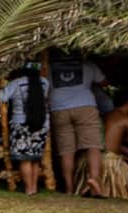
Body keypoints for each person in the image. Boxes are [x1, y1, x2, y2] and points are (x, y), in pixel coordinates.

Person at [45, 55, 108, 194]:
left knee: (66, 150)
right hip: (85, 105)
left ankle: (69, 187)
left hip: (58, 108)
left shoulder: (48, 65)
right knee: (93, 146)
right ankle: (94, 181)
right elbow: (104, 82)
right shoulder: (88, 64)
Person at [0, 61, 50, 195]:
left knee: (25, 158)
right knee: (35, 157)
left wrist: (0, 86)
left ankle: (28, 189)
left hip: (21, 124)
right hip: (41, 124)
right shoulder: (44, 82)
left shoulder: (16, 83)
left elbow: (2, 97)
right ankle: (34, 187)